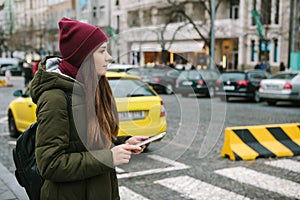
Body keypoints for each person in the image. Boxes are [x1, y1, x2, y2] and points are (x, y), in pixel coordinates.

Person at [30, 17, 148, 200]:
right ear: (83, 57)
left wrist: (123, 142)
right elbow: (50, 164)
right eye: (102, 51)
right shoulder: (55, 98)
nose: (108, 57)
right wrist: (108, 158)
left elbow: (88, 140)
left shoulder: (91, 87)